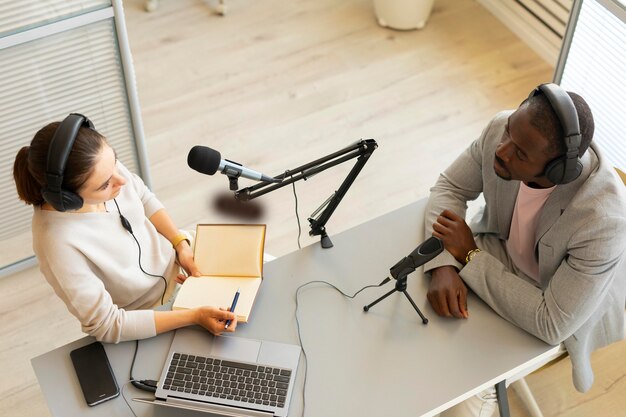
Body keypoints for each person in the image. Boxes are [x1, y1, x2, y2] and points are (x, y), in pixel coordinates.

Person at [423, 84, 626, 416]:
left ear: (557, 170)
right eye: (508, 134)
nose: (502, 151)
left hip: (554, 301)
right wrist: (443, 263)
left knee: (461, 401)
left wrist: (469, 256)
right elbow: (450, 187)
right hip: (498, 253)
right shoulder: (503, 132)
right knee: (420, 321)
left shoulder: (603, 221)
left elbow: (551, 322)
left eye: (520, 154)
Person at [13, 114, 237, 343]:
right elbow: (107, 325)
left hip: (182, 258)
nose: (122, 181)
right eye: (104, 185)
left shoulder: (102, 166)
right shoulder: (56, 242)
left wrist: (180, 244)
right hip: (153, 312)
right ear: (68, 199)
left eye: (115, 165)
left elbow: (144, 198)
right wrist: (194, 316)